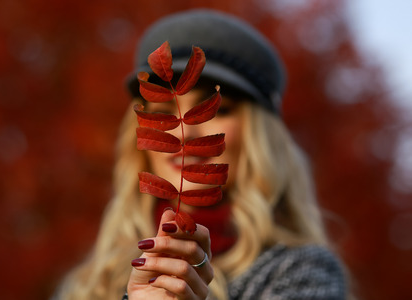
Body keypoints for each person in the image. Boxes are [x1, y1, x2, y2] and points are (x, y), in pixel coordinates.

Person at [53, 9, 349, 300]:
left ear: (259, 137)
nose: (186, 134)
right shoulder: (88, 285)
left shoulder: (299, 272)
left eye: (214, 110)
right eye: (164, 113)